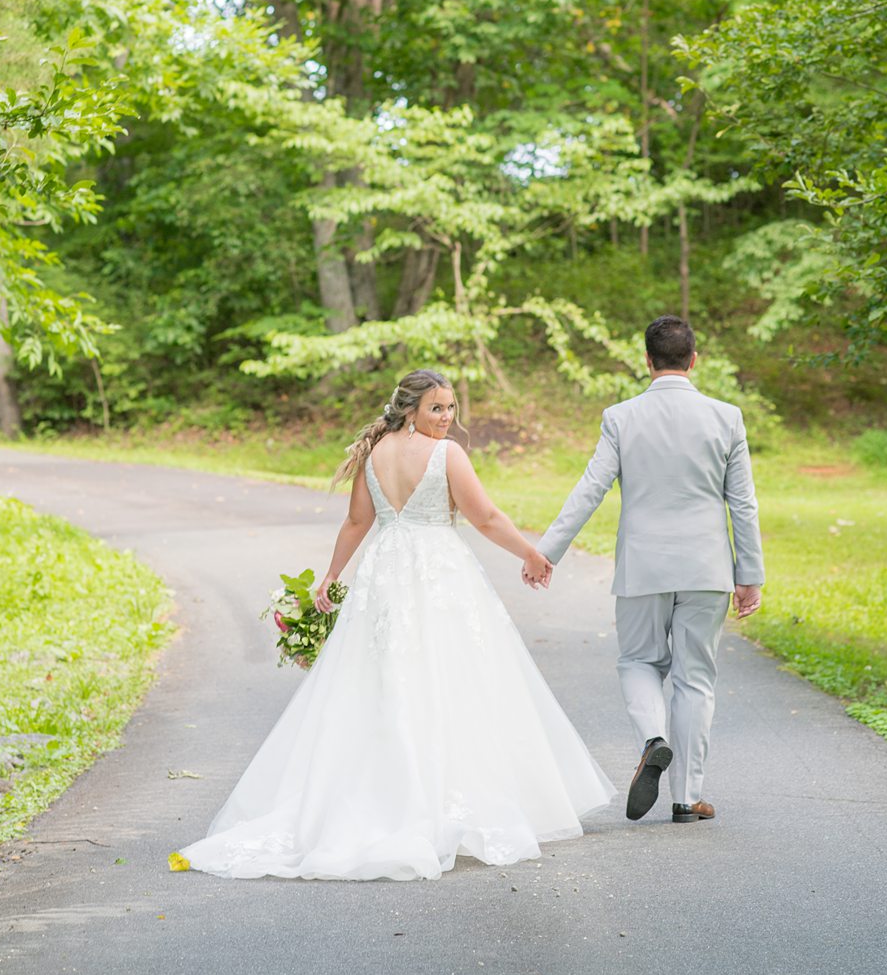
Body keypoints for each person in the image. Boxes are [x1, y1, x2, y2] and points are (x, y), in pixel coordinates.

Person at [179, 369, 614, 882]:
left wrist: (335, 575)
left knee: (386, 680)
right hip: (438, 574)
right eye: (437, 409)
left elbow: (359, 524)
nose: (447, 418)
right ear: (410, 409)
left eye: (451, 409)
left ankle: (394, 793)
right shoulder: (447, 455)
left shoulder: (375, 451)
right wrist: (532, 555)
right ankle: (431, 800)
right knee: (445, 676)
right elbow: (486, 517)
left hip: (385, 574)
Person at [534, 315, 764, 825]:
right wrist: (750, 574)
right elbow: (742, 504)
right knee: (695, 678)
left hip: (642, 564)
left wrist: (548, 550)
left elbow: (589, 489)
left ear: (646, 360)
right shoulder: (726, 417)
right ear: (694, 360)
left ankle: (652, 740)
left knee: (639, 661)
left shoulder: (621, 417)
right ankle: (687, 797)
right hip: (707, 567)